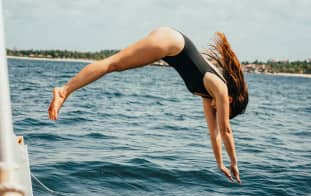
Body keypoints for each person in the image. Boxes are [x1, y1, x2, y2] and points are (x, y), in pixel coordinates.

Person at [48, 27, 248, 183]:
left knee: (114, 66)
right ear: (230, 101)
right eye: (222, 110)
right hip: (171, 42)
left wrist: (220, 163)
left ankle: (65, 90)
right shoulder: (220, 88)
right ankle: (64, 90)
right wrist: (235, 163)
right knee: (112, 64)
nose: (216, 109)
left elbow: (214, 133)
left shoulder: (207, 93)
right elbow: (226, 130)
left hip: (170, 43)